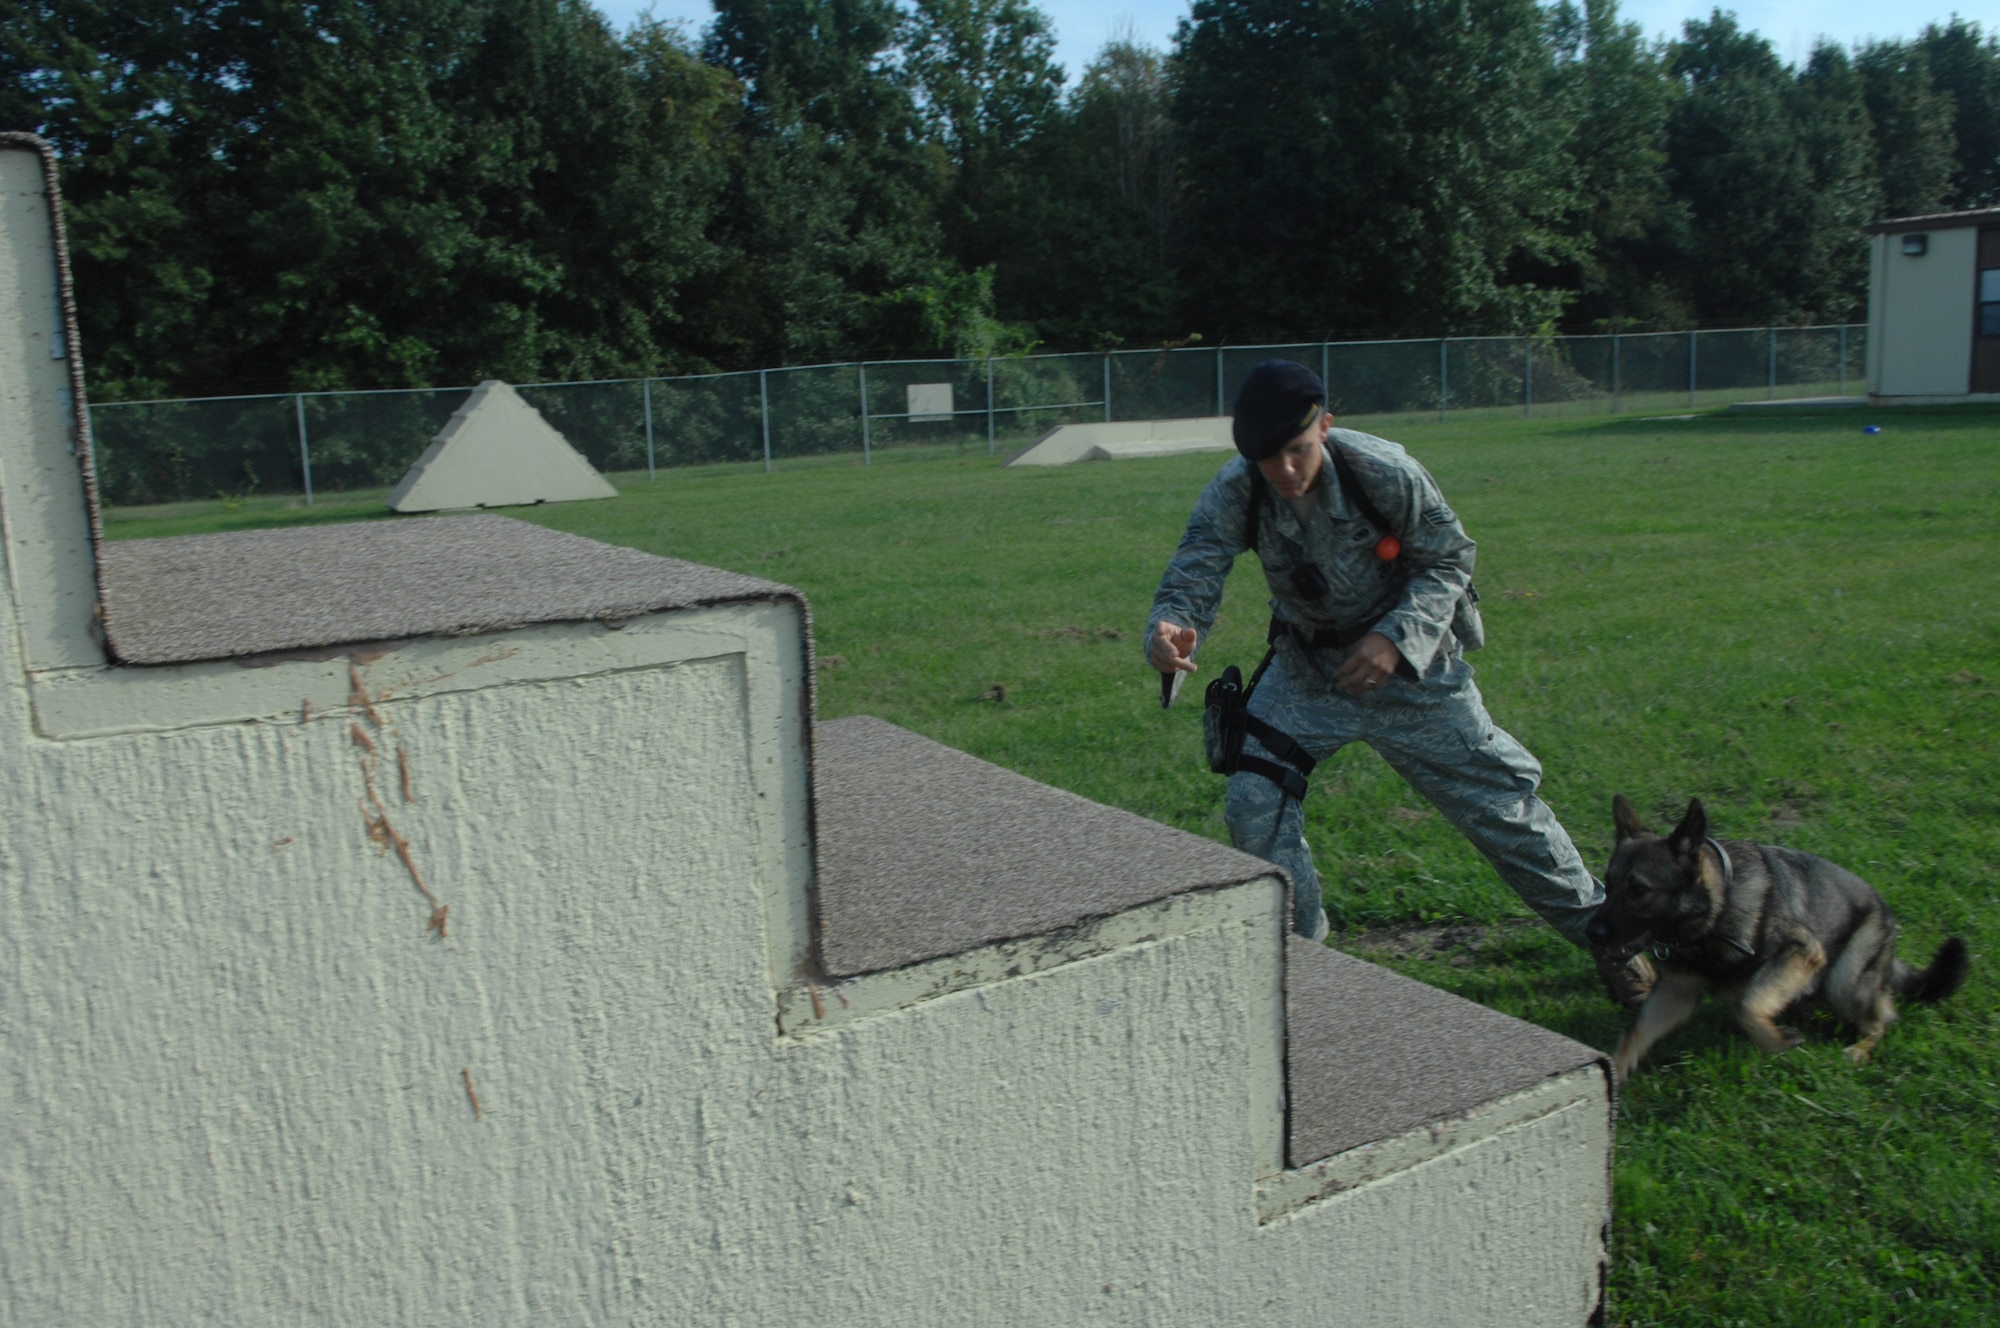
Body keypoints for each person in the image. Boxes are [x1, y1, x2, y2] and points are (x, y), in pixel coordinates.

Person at [1146, 359, 1652, 1006]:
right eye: (1270, 459)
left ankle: (1609, 940)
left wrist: (1394, 638)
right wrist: (1170, 629)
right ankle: (1304, 970)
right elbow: (1196, 564)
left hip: (1416, 676)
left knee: (1503, 810)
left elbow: (1449, 560)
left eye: (1299, 452)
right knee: (1252, 803)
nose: (1287, 472)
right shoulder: (1240, 487)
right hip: (1308, 675)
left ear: (1325, 428)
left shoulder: (1381, 471)